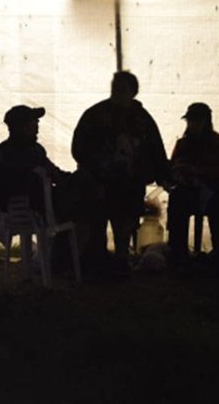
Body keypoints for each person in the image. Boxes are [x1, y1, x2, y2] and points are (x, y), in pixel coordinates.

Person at [71, 71, 169, 271]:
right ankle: (98, 260)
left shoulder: (141, 119)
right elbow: (79, 147)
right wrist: (94, 168)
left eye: (122, 89)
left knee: (125, 222)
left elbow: (155, 148)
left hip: (129, 182)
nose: (117, 92)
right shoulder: (96, 115)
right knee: (97, 222)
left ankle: (121, 260)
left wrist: (162, 174)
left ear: (133, 92)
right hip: (99, 181)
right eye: (115, 88)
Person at [0, 104, 88, 249]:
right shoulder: (17, 152)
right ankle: (62, 256)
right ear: (21, 127)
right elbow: (47, 176)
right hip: (32, 210)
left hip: (36, 207)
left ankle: (60, 256)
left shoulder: (27, 149)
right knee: (81, 206)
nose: (37, 125)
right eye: (33, 122)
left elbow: (54, 173)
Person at [166, 102, 219, 263]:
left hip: (216, 189)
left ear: (207, 122)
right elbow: (173, 168)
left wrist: (201, 171)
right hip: (190, 190)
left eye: (197, 121)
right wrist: (179, 173)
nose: (193, 125)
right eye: (191, 121)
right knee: (177, 197)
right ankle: (178, 250)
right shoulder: (183, 144)